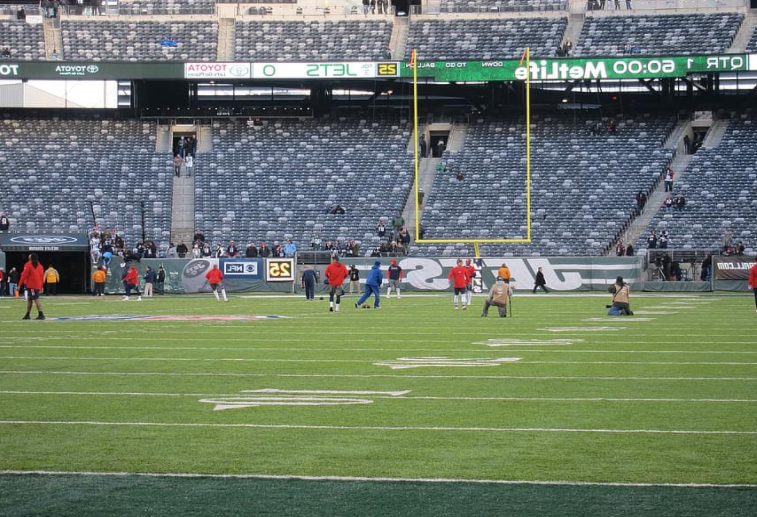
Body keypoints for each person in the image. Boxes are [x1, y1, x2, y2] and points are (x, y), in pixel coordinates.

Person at [19, 253, 45, 320]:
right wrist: (41, 286)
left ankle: (41, 314)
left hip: (32, 285)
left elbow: (24, 275)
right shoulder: (40, 266)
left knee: (36, 299)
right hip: (36, 285)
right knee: (30, 299)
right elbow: (42, 277)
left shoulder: (28, 264)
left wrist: (19, 285)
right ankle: (27, 314)